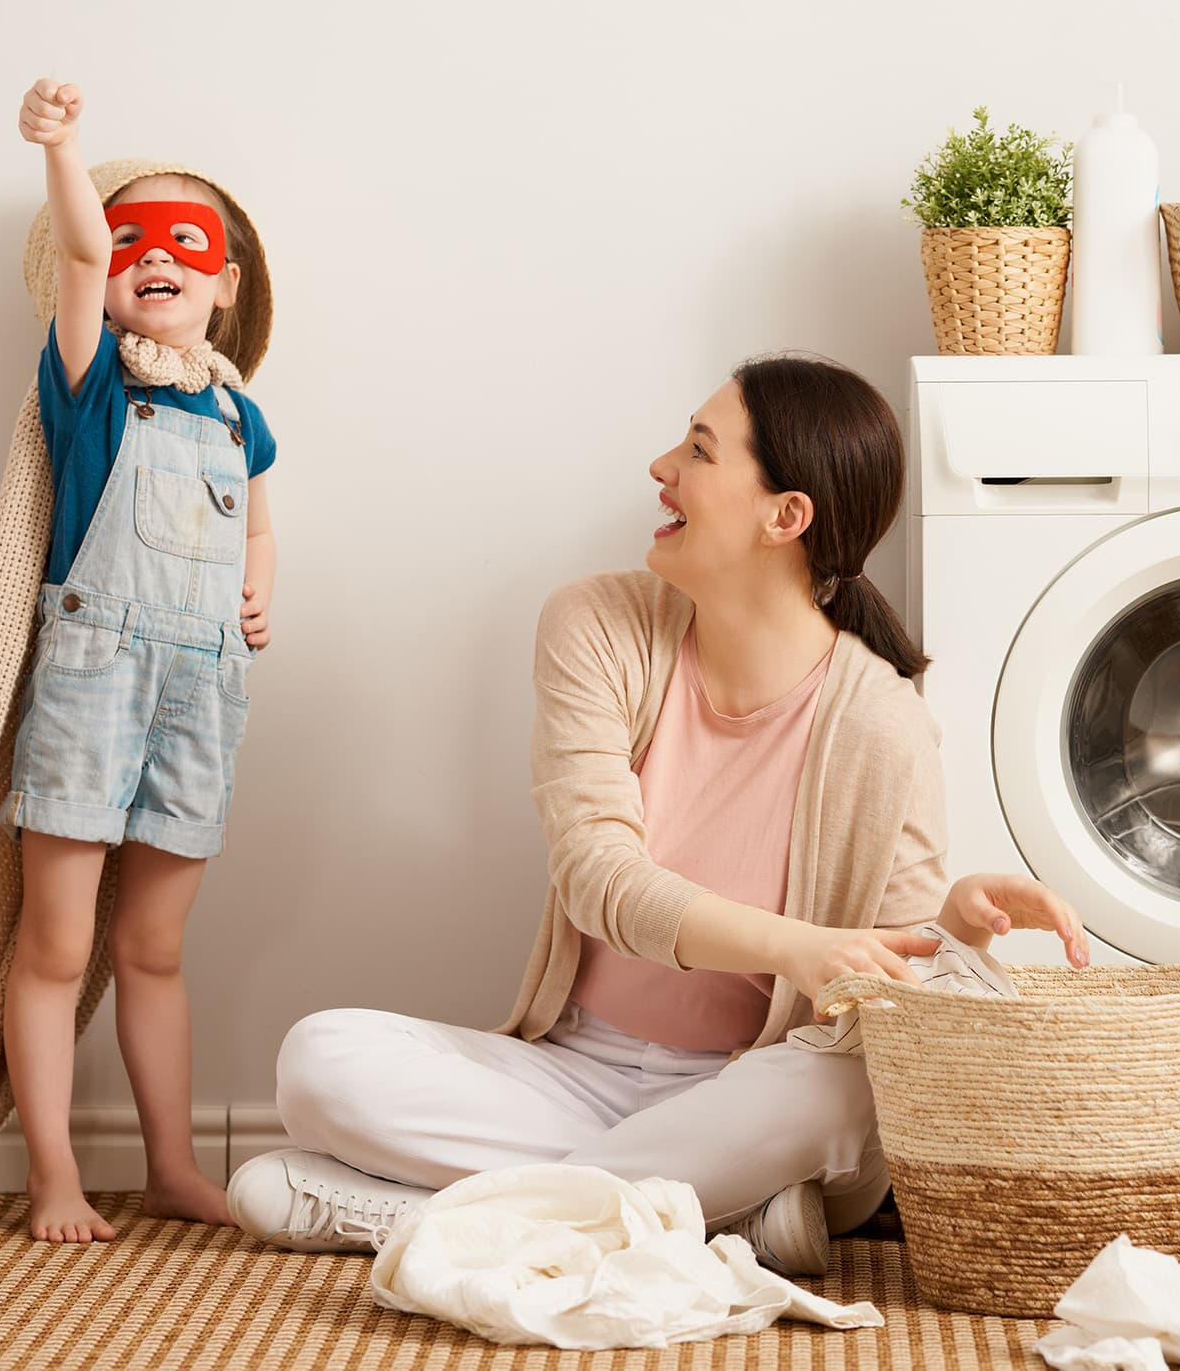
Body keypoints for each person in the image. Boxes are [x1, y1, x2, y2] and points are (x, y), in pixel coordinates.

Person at [233, 352, 1086, 1275]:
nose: (661, 467)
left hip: (750, 1088)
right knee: (320, 1058)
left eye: (700, 450)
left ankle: (444, 1222)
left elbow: (887, 989)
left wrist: (956, 929)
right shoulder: (597, 625)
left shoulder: (884, 723)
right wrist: (792, 944)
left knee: (837, 1093)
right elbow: (598, 877)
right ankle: (715, 1219)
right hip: (574, 1074)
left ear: (785, 517)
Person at [2, 79, 280, 1242]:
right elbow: (75, 249)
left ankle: (170, 1162)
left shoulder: (236, 413)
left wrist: (262, 578)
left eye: (183, 245)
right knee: (58, 938)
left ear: (222, 285)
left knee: (153, 945)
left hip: (201, 688)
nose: (150, 257)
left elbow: (256, 516)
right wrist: (66, 156)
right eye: (132, 242)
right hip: (95, 673)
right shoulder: (93, 386)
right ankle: (54, 1172)